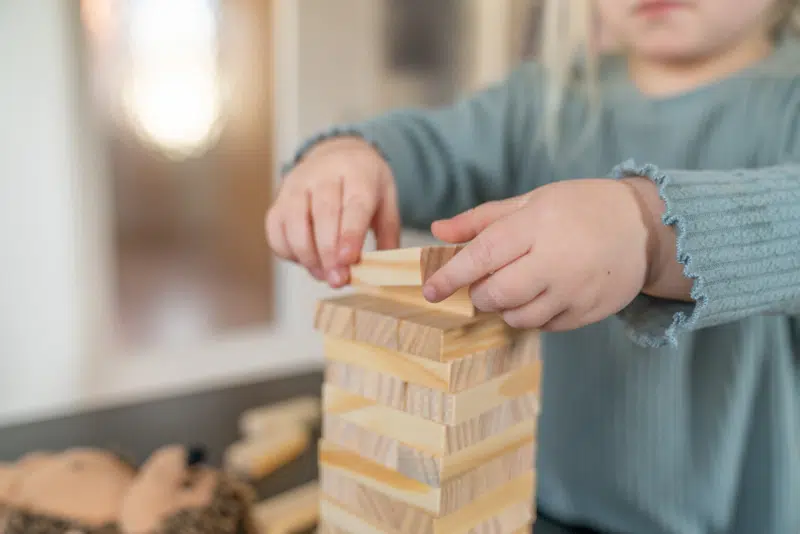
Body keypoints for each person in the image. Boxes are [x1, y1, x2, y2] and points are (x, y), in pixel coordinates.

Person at [266, 1, 800, 533]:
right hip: (531, 509)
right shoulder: (542, 100)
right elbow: (429, 146)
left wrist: (652, 233)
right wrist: (348, 158)